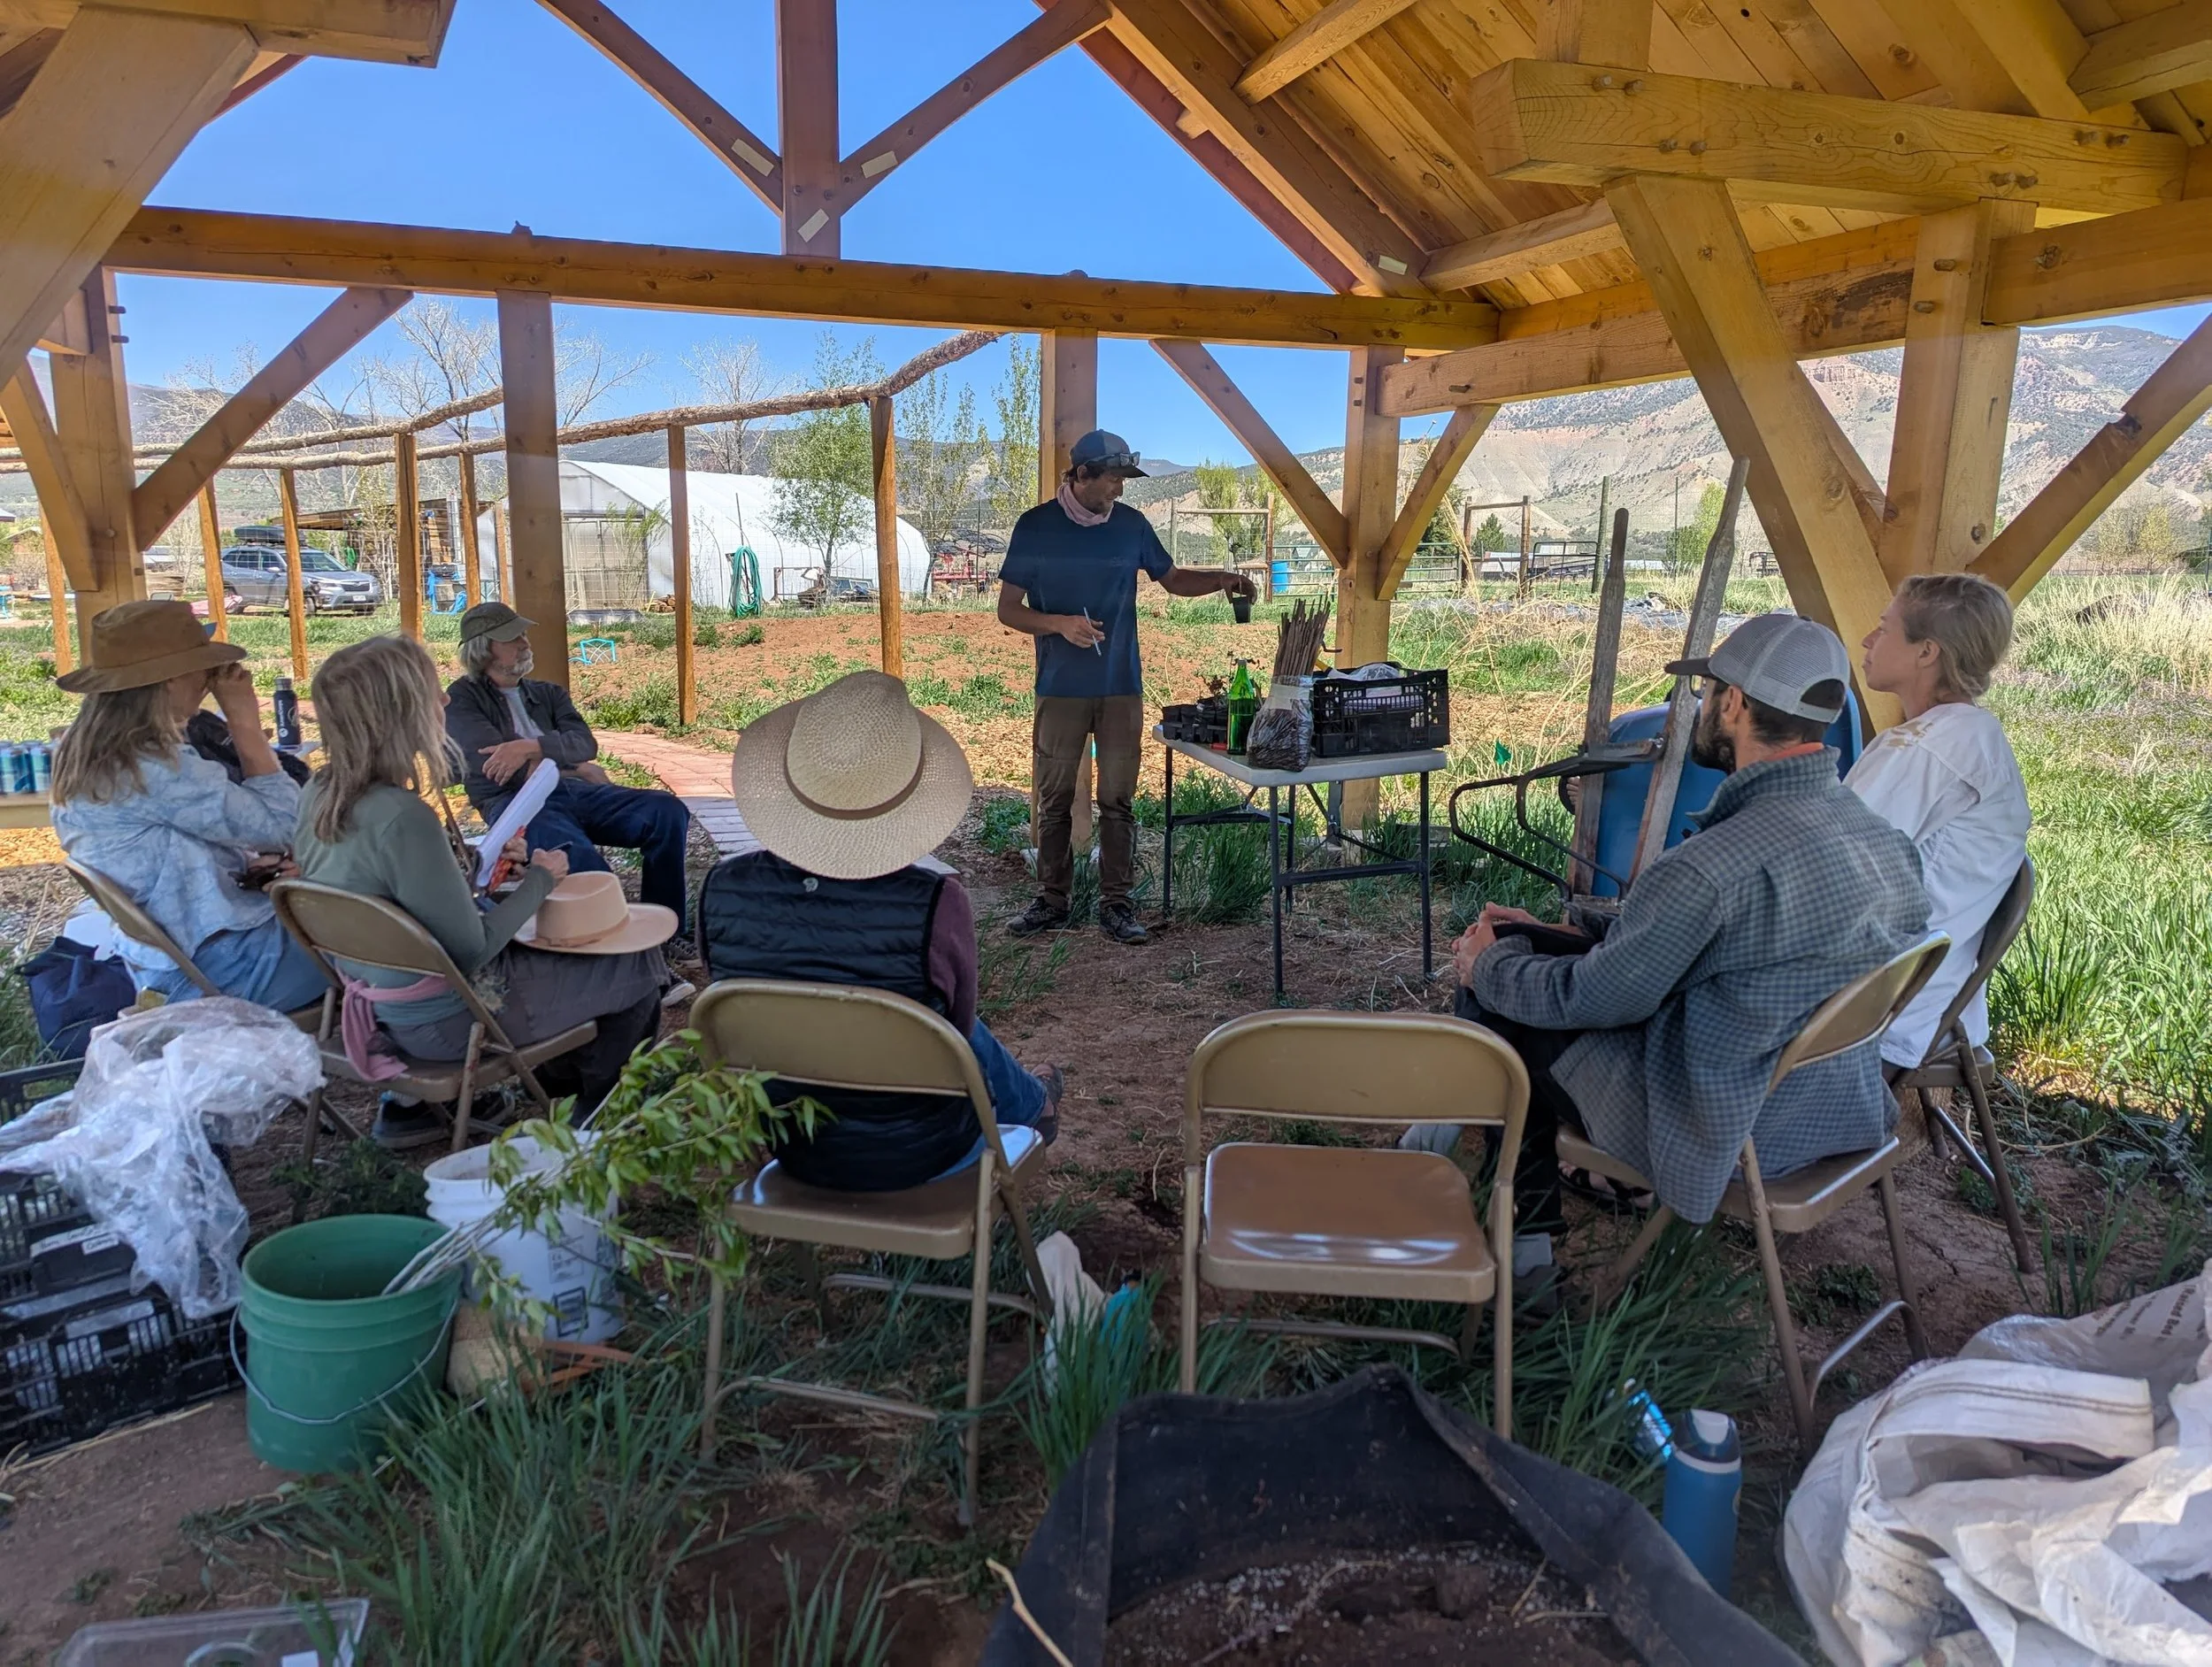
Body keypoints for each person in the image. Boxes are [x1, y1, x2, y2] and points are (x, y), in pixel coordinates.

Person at [1441, 614, 1930, 1230]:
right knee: (1519, 947)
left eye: (1706, 691)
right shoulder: (1881, 838)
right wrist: (1569, 935)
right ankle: (1482, 1185)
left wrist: (1489, 966)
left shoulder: (1713, 865)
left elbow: (1592, 999)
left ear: (1735, 704)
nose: (1699, 705)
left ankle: (1520, 1237)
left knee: (1504, 1001)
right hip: (1835, 1108)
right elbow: (1735, 949)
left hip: (1731, 1131)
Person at [296, 635, 672, 1148]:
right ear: (400, 711)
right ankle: (594, 1120)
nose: (445, 699)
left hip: (380, 1004)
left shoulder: (321, 793)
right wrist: (541, 879)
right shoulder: (404, 818)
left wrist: (476, 867)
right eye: (432, 691)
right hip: (448, 1022)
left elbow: (393, 889)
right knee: (637, 960)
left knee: (561, 950)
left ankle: (441, 1107)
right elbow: (475, 948)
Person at [699, 671, 1065, 1192]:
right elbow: (958, 1023)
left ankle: (1032, 1101)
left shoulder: (722, 889)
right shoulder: (936, 903)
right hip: (927, 1149)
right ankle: (1032, 1106)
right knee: (938, 1022)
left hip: (795, 1146)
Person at [997, 428, 1256, 945]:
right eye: (1113, 479)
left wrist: (1222, 579)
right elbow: (1008, 610)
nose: (1119, 490)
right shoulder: (1036, 527)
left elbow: (1172, 579)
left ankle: (1117, 905)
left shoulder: (1131, 525)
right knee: (1054, 800)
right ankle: (1052, 900)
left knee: (1118, 801)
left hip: (1120, 686)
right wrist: (1059, 625)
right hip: (1060, 688)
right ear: (1082, 475)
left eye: (1123, 481)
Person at [50, 600, 327, 1012]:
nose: (208, 678)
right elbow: (287, 826)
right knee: (390, 931)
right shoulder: (153, 767)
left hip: (165, 965)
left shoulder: (87, 755)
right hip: (227, 970)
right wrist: (244, 722)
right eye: (201, 666)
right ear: (168, 680)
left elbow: (163, 852)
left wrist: (235, 865)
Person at [1847, 573, 2031, 1071]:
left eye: (1885, 628)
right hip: (1919, 990)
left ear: (1927, 652)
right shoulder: (1961, 735)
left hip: (1883, 1008)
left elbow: (1829, 867)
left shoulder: (1930, 748)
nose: (1868, 639)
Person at [444, 602, 694, 921]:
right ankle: (615, 936)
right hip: (514, 805)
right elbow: (502, 771)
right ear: (483, 650)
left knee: (666, 811)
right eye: (512, 638)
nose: (525, 642)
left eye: (523, 634)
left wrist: (530, 747)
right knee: (582, 861)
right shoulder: (462, 698)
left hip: (573, 791)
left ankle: (666, 924)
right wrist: (574, 767)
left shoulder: (548, 693)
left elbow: (585, 743)